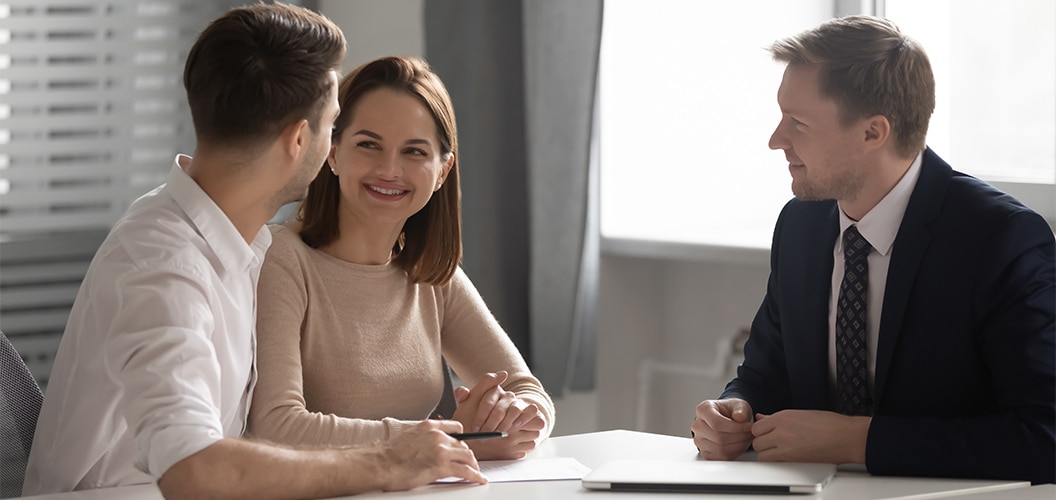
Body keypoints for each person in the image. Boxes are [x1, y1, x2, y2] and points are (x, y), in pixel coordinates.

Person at [23, 4, 485, 498]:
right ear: (300, 140)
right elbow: (193, 470)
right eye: (333, 125)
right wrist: (386, 461)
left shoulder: (229, 241)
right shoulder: (163, 267)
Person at [691, 15, 1055, 484]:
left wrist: (857, 440)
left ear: (872, 133)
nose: (775, 140)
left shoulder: (1000, 238)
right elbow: (767, 375)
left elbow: (1043, 436)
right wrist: (734, 411)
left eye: (797, 123)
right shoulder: (800, 225)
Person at [247, 55, 555, 461]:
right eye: (369, 145)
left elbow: (530, 394)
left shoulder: (429, 272)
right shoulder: (280, 259)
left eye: (414, 151)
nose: (389, 170)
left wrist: (514, 419)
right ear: (333, 152)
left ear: (442, 172)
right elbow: (278, 426)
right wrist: (446, 438)